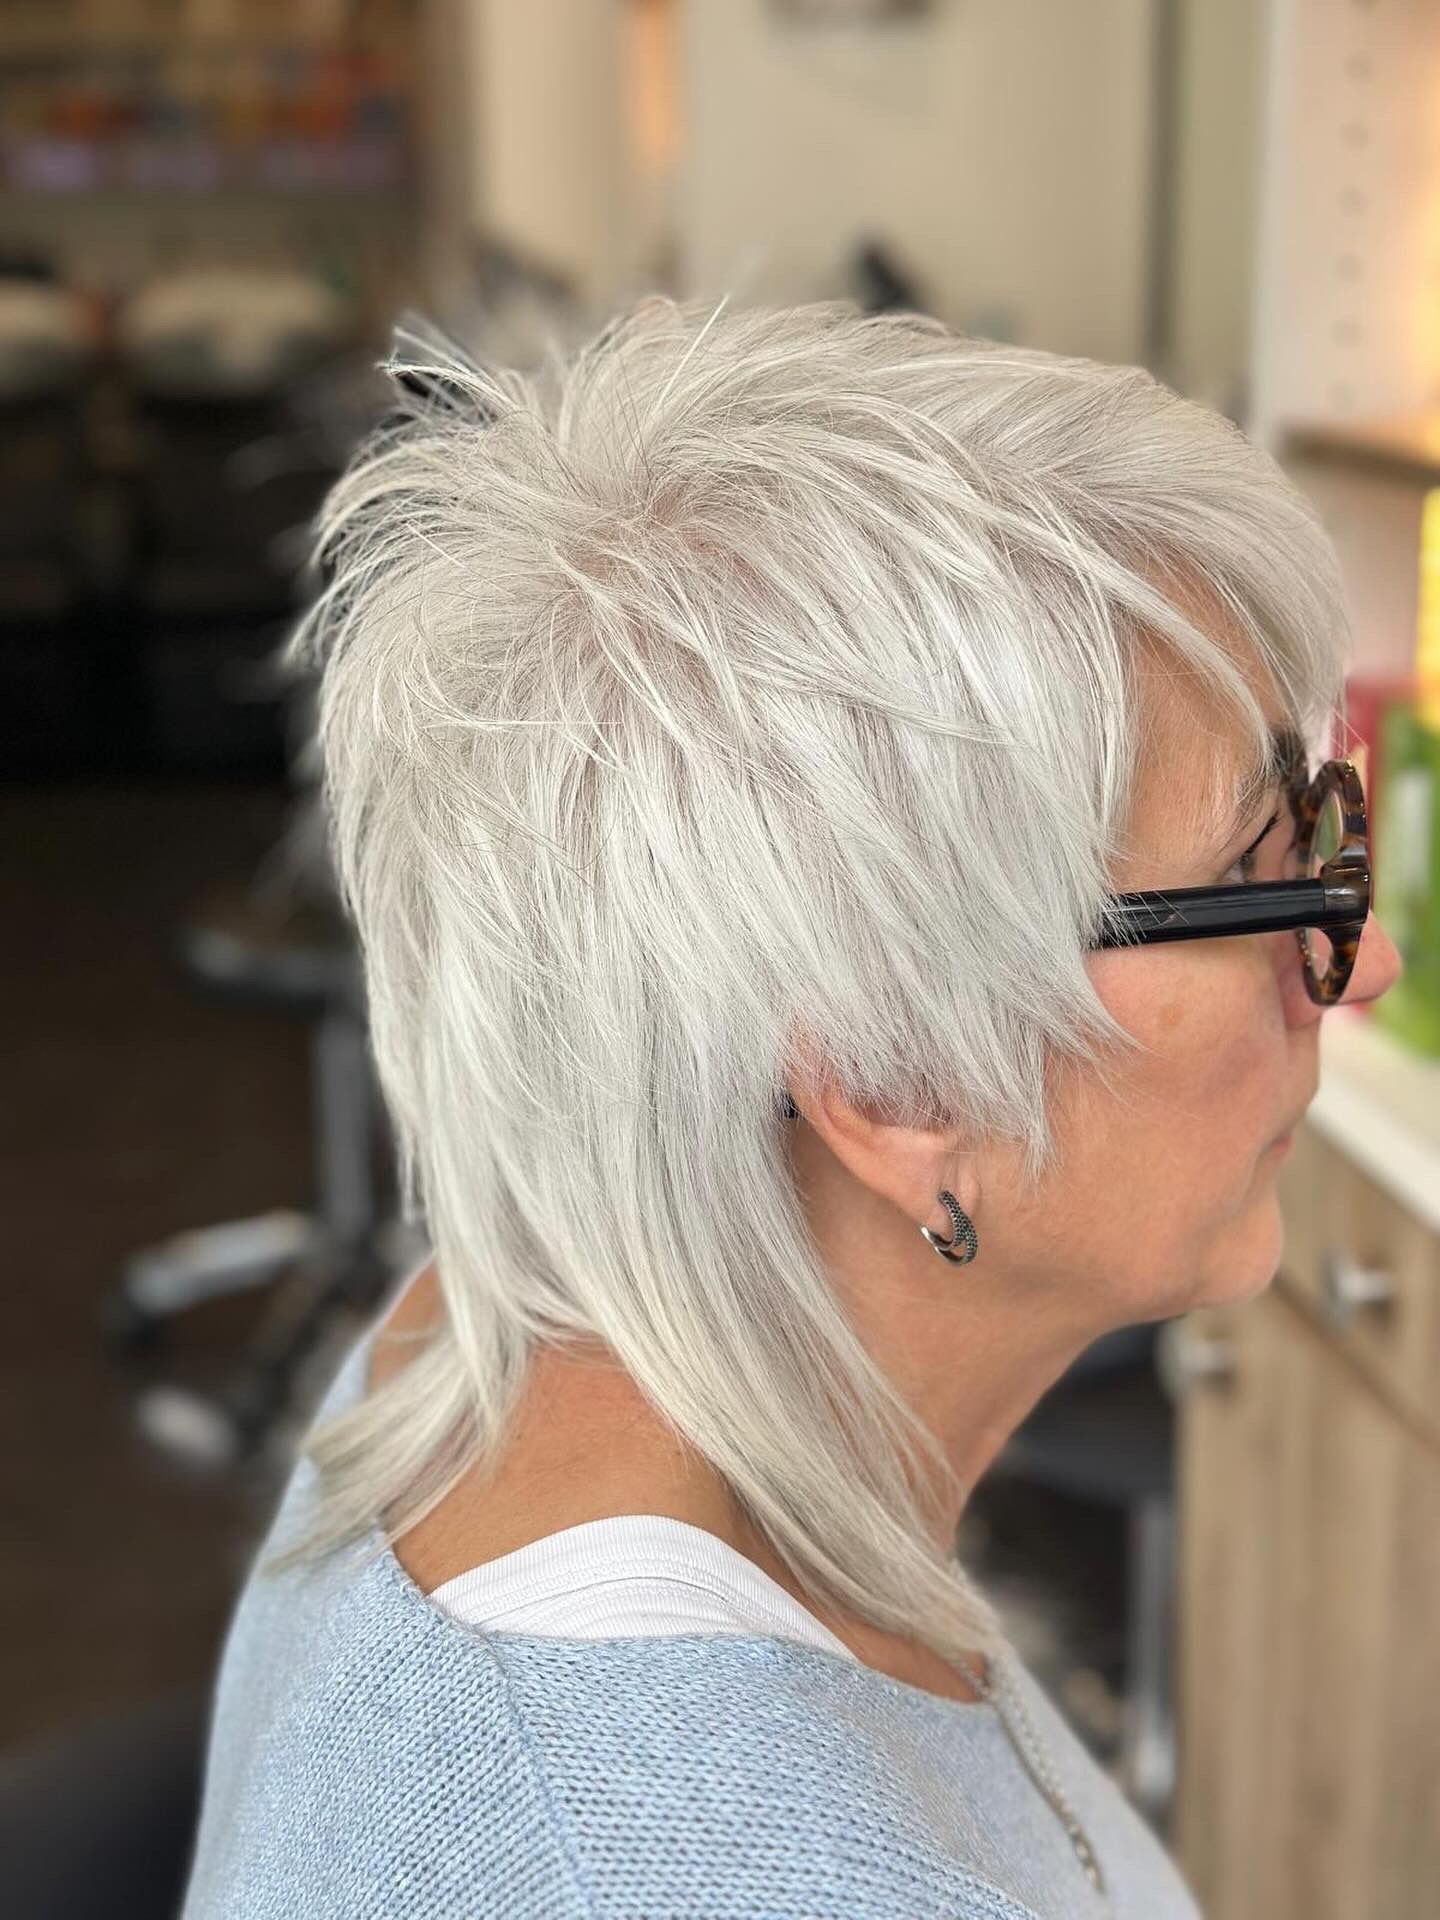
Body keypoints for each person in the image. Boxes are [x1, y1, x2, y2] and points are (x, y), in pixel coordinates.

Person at [178, 299, 1400, 1919]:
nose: (1363, 960)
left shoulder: (482, 1329)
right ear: (902, 1078)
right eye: (1270, 871)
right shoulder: (715, 1871)